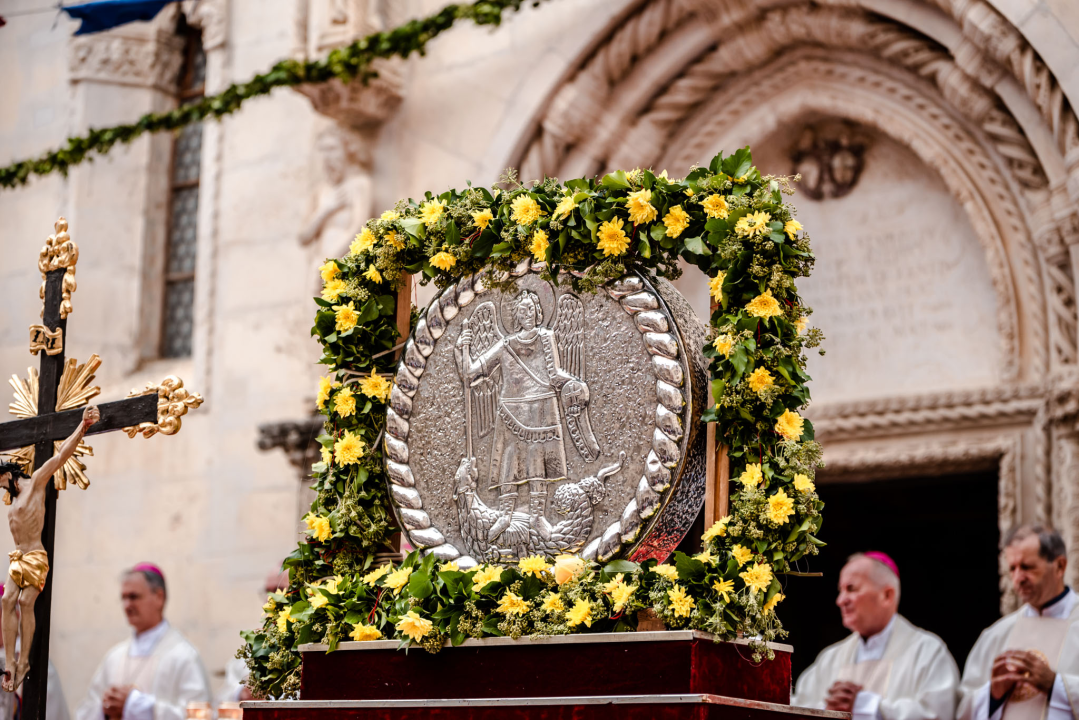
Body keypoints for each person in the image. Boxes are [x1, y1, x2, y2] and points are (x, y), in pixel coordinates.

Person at [0, 404, 99, 691]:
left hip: (35, 556)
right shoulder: (13, 502)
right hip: (17, 558)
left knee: (24, 602)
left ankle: (24, 660)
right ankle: (9, 663)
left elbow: (59, 457)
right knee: (6, 602)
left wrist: (82, 427)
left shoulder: (35, 484)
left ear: (7, 473)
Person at [793, 552, 960, 720]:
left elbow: (939, 713)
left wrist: (869, 707)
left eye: (851, 588)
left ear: (887, 595)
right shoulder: (829, 659)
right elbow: (794, 708)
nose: (841, 600)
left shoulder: (927, 652)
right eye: (840, 590)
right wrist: (826, 710)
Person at [958, 525, 1077, 720]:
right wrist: (992, 695)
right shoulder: (997, 634)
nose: (1017, 578)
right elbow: (962, 708)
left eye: (1027, 567)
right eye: (1012, 568)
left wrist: (1056, 684)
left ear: (1060, 566)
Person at [75, 564, 211, 720]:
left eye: (133, 597)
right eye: (123, 598)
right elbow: (85, 711)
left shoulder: (184, 656)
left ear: (159, 597)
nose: (127, 606)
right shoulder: (114, 657)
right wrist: (106, 707)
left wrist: (138, 705)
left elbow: (200, 715)